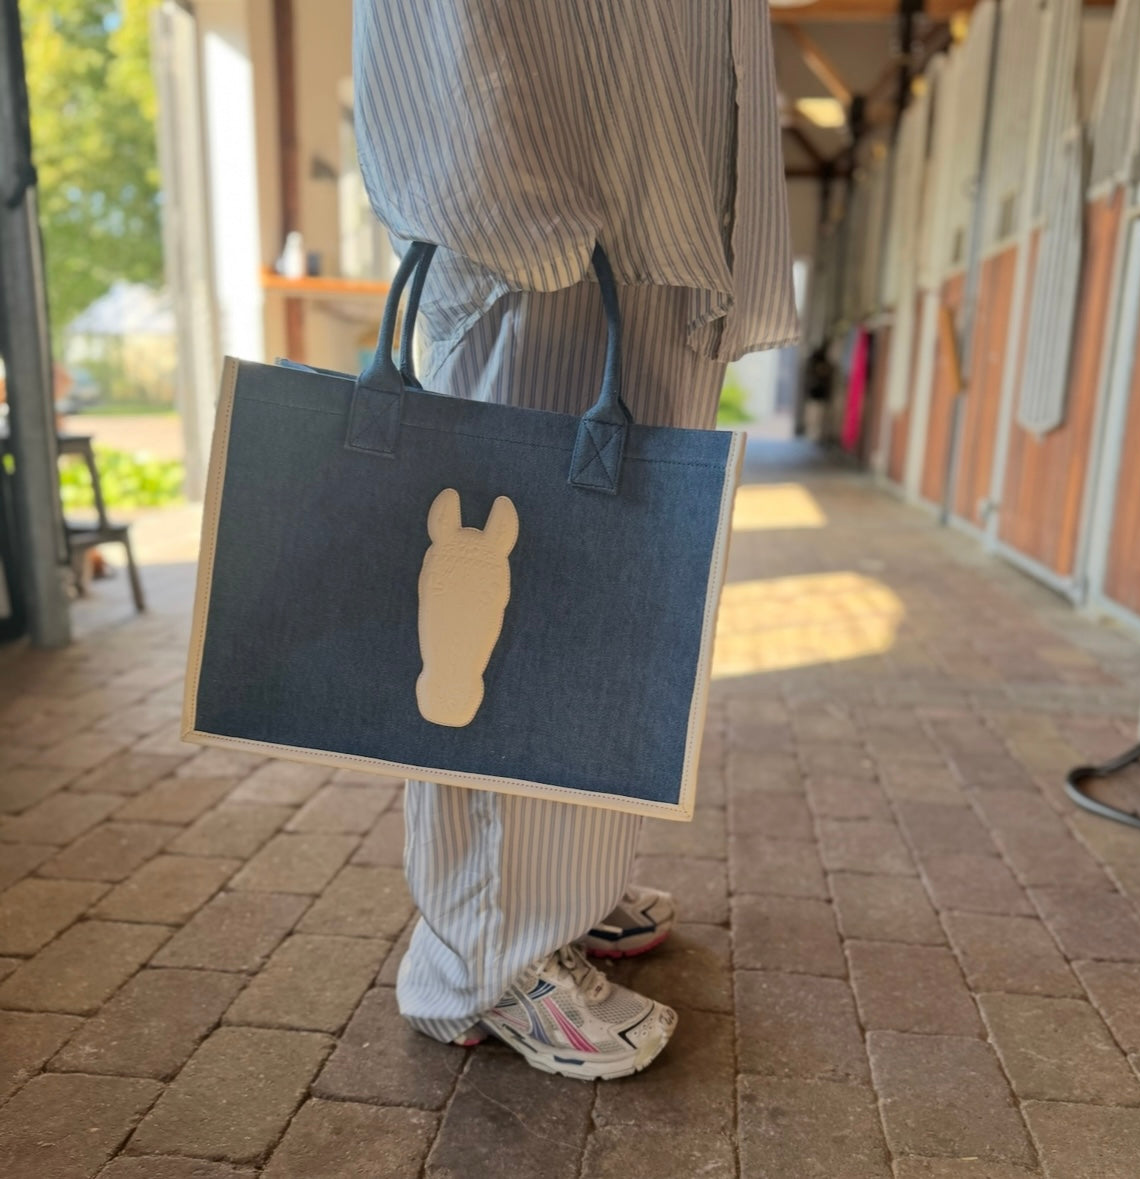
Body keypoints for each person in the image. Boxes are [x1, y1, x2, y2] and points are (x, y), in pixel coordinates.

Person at [353, 0, 796, 1080]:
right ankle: (482, 958)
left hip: (649, 214)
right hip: (550, 221)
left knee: (607, 619)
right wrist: (514, 215)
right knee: (518, 633)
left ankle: (559, 892)